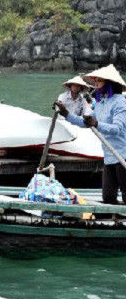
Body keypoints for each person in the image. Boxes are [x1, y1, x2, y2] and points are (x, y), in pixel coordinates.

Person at [55, 64, 126, 204]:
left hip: (122, 156)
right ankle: (114, 219)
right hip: (109, 157)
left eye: (99, 80)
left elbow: (118, 129)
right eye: (95, 81)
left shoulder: (120, 102)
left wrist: (96, 124)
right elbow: (85, 122)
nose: (96, 83)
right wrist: (66, 114)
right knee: (108, 198)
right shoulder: (100, 103)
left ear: (109, 83)